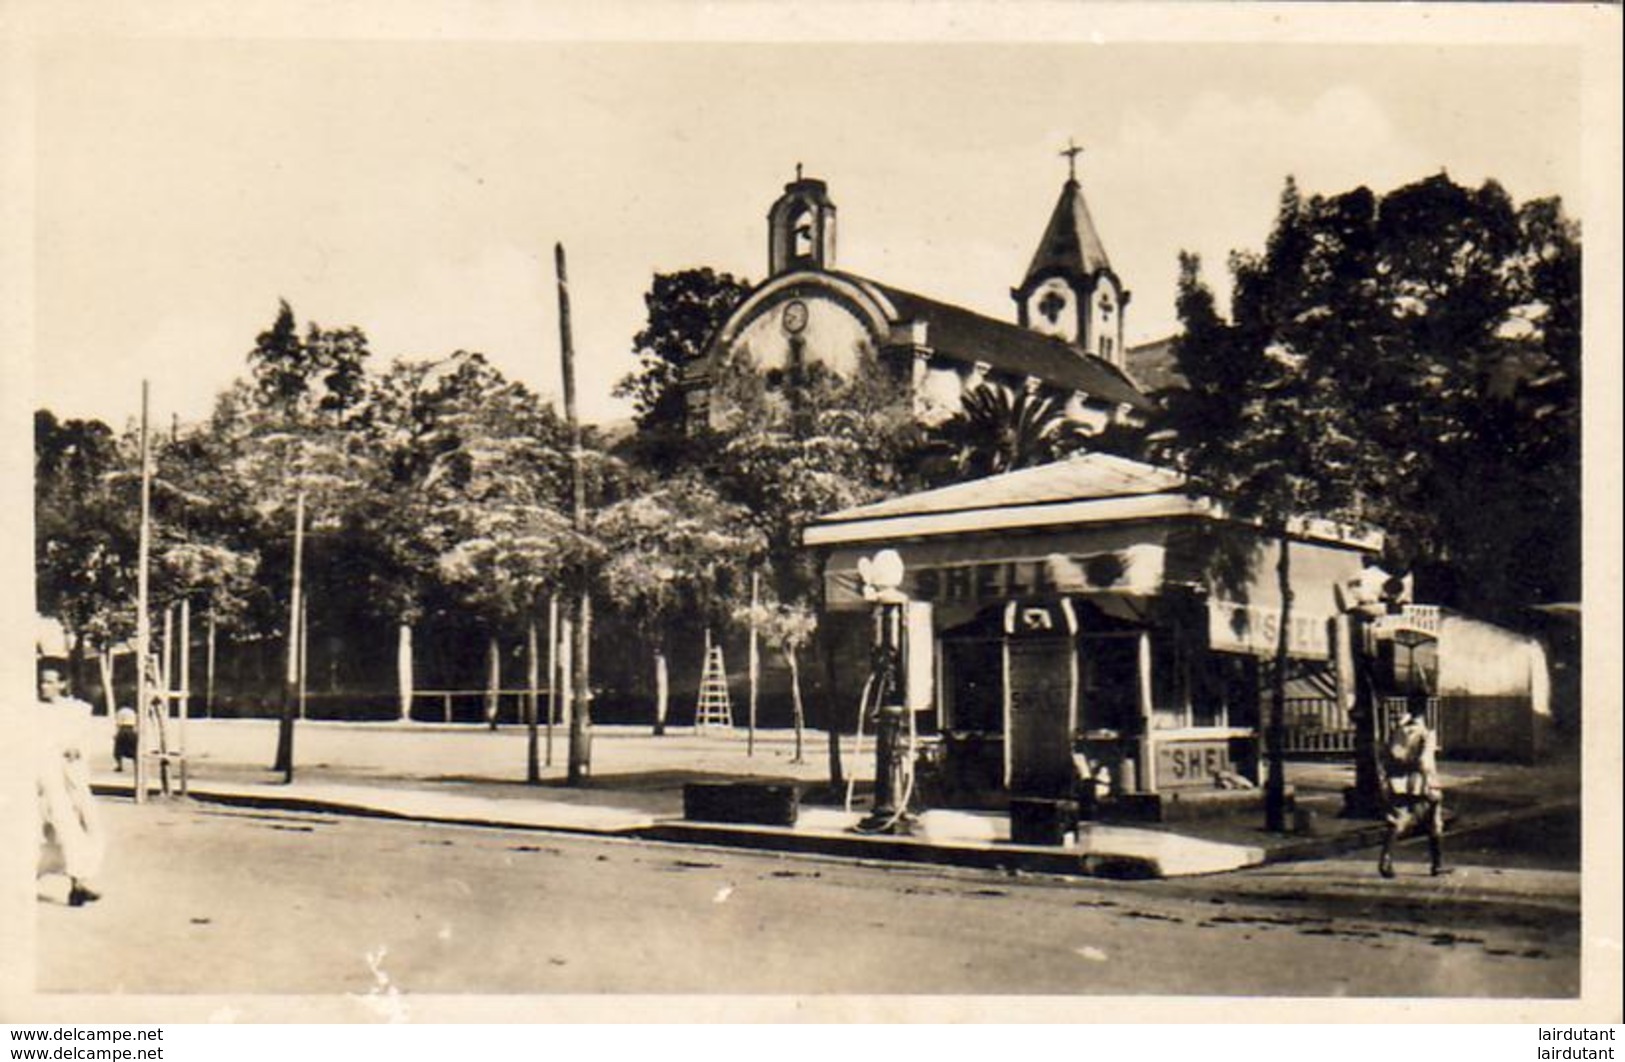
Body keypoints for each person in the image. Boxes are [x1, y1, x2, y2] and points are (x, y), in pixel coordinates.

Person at [36, 666, 106, 906]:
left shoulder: (75, 710)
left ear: (63, 684)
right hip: (47, 780)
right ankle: (77, 884)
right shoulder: (36, 712)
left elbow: (83, 741)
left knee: (87, 827)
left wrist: (77, 748)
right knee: (58, 832)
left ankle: (78, 882)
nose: (44, 686)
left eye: (49, 682)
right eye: (42, 682)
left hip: (72, 779)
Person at [1378, 697, 1446, 879]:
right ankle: (1437, 864)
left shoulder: (1399, 730)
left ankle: (1386, 858)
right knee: (1433, 820)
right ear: (1424, 710)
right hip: (1421, 782)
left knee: (1397, 819)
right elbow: (1425, 761)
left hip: (1399, 781)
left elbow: (1389, 754)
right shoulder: (1427, 733)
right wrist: (1430, 779)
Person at [112, 704, 138, 772]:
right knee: (135, 751)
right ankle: (137, 766)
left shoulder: (120, 711)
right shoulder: (133, 712)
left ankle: (119, 766)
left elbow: (118, 723)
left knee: (117, 751)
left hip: (122, 729)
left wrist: (116, 734)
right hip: (131, 730)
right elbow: (136, 723)